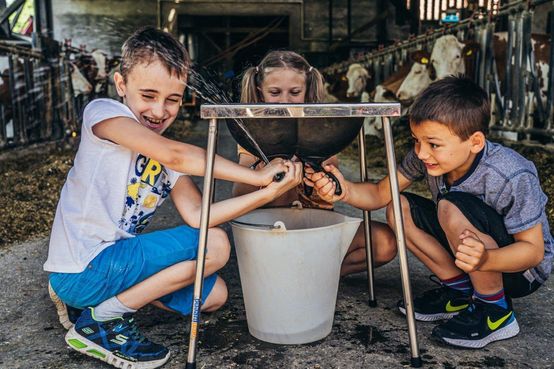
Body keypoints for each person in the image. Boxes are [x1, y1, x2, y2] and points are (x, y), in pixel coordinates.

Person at [44, 27, 302, 369]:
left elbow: (198, 215)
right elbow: (176, 155)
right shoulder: (103, 113)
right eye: (148, 95)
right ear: (121, 85)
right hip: (84, 266)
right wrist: (255, 175)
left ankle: (97, 302)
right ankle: (102, 320)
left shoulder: (167, 160)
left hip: (111, 266)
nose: (159, 110)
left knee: (213, 295)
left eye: (172, 99)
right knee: (216, 245)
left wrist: (269, 192)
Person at [306, 76, 552, 348]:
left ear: (475, 141)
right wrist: (344, 189)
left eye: (433, 144)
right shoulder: (427, 157)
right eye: (416, 140)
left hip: (518, 271)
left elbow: (533, 252)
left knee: (450, 205)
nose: (421, 153)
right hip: (471, 253)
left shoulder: (511, 173)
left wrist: (486, 259)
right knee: (398, 207)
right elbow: (379, 194)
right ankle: (460, 292)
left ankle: (495, 310)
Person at [231, 50, 397, 276]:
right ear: (260, 92)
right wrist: (261, 171)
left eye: (295, 92)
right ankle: (295, 273)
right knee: (284, 183)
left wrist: (326, 182)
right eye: (275, 92)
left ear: (308, 91)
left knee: (384, 243)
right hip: (271, 232)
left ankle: (317, 277)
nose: (285, 101)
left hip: (316, 229)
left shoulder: (323, 129)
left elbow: (330, 192)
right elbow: (238, 192)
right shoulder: (253, 134)